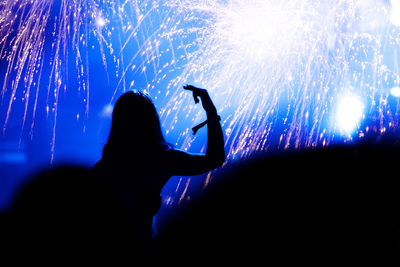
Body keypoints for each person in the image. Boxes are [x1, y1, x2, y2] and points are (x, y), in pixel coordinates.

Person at [92, 85, 225, 250]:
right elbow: (215, 158)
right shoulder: (162, 159)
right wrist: (209, 108)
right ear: (151, 119)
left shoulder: (103, 166)